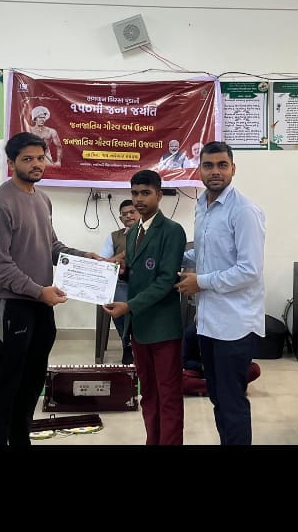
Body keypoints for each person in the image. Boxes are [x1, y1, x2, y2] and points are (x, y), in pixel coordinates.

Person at [0, 131, 98, 446]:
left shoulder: (42, 199)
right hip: (11, 307)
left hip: (41, 306)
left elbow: (52, 246)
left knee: (31, 382)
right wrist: (38, 291)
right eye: (27, 159)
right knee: (4, 384)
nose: (36, 164)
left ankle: (20, 440)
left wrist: (84, 258)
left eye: (40, 158)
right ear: (11, 163)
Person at [174, 141, 266, 445]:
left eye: (222, 165)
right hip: (208, 321)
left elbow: (249, 270)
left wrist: (200, 282)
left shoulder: (244, 211)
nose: (215, 171)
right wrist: (170, 259)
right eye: (208, 165)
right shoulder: (202, 206)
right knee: (217, 397)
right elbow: (204, 255)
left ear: (233, 169)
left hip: (235, 324)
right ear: (199, 170)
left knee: (231, 402)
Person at [103, 169, 187, 445]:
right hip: (138, 327)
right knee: (148, 394)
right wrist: (120, 271)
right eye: (135, 193)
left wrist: (128, 306)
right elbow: (137, 275)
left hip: (162, 327)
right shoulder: (132, 233)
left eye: (145, 193)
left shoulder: (172, 231)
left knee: (168, 394)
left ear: (159, 195)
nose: (139, 199)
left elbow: (165, 281)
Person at [98, 198, 139, 365]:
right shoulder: (114, 237)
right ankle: (127, 344)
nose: (128, 216)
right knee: (118, 301)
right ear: (121, 218)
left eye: (132, 212)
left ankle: (141, 344)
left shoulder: (153, 234)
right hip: (122, 283)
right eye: (124, 214)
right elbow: (104, 264)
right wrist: (121, 256)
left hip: (146, 284)